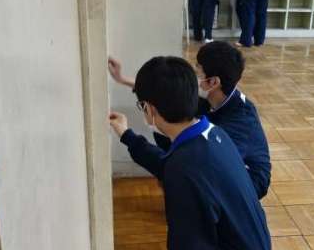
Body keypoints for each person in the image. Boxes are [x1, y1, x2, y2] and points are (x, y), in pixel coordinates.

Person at [109, 56, 277, 250]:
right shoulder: (210, 132)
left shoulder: (184, 172)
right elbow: (166, 164)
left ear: (150, 110)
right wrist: (127, 136)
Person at [108, 41, 271, 199]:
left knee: (182, 164)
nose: (194, 76)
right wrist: (122, 79)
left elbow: (189, 163)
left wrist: (127, 135)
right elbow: (168, 92)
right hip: (217, 162)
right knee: (167, 128)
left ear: (213, 82)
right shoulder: (217, 97)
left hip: (248, 182)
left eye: (198, 71)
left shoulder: (239, 123)